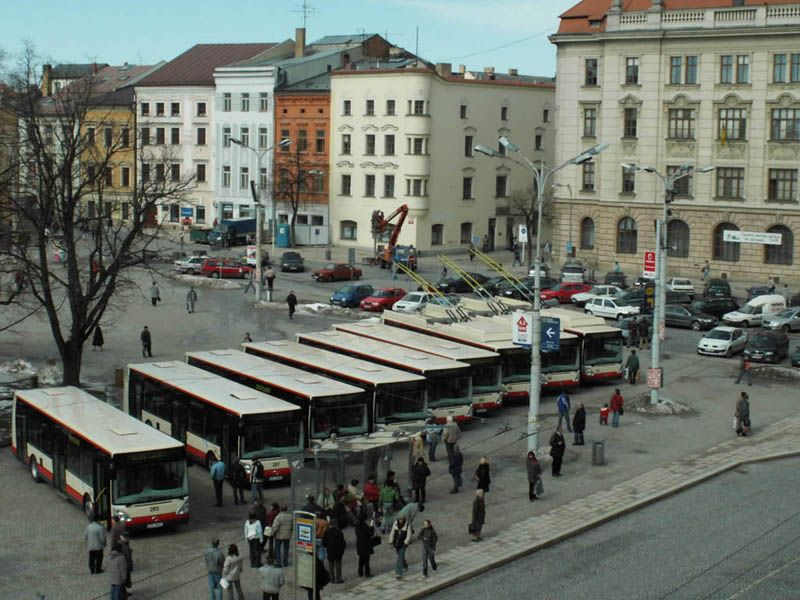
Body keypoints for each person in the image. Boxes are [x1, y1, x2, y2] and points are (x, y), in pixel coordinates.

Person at [322, 518, 347, 583]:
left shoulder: (327, 532)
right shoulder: (339, 532)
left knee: (331, 564)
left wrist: (327, 546)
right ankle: (339, 578)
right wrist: (342, 550)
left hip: (330, 550)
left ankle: (331, 578)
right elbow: (343, 542)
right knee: (338, 564)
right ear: (336, 524)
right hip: (338, 551)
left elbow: (324, 542)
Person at [119, 532, 133, 597]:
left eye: (127, 537)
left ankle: (124, 593)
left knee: (125, 580)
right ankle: (123, 594)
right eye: (125, 537)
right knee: (123, 580)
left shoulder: (126, 543)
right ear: (121, 537)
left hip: (127, 565)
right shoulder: (120, 545)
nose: (127, 539)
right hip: (124, 566)